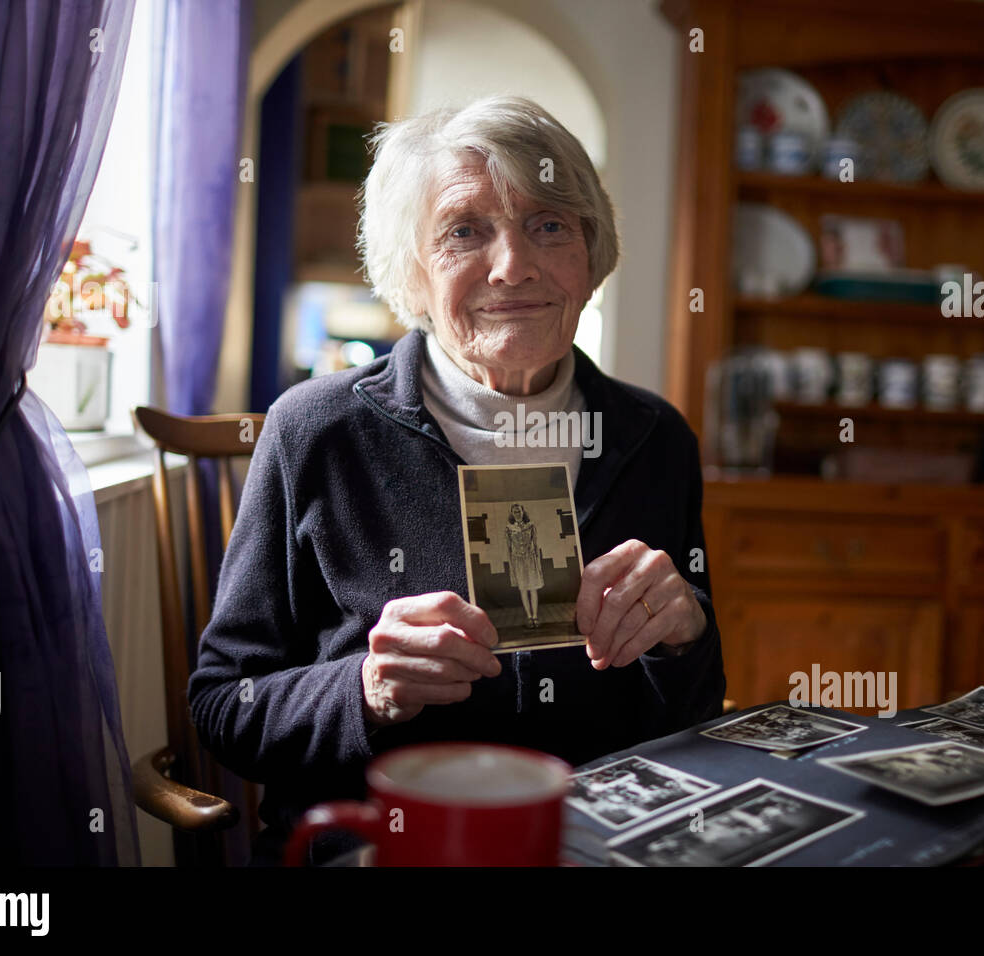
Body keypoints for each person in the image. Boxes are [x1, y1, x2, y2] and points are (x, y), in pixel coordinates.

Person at [188, 94, 726, 865]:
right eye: (464, 231)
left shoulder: (655, 437)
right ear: (411, 268)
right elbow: (222, 704)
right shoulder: (316, 431)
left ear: (590, 252)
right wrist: (364, 688)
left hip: (591, 844)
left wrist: (685, 635)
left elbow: (697, 706)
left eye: (549, 224)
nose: (513, 265)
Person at [505, 503, 543, 627]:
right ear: (512, 514)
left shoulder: (530, 526)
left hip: (530, 559)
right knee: (523, 589)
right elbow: (509, 549)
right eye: (515, 512)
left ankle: (535, 616)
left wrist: (538, 564)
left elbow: (536, 545)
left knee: (533, 588)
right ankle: (529, 617)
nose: (518, 514)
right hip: (518, 561)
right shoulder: (509, 528)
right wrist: (512, 567)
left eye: (519, 511)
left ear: (523, 512)